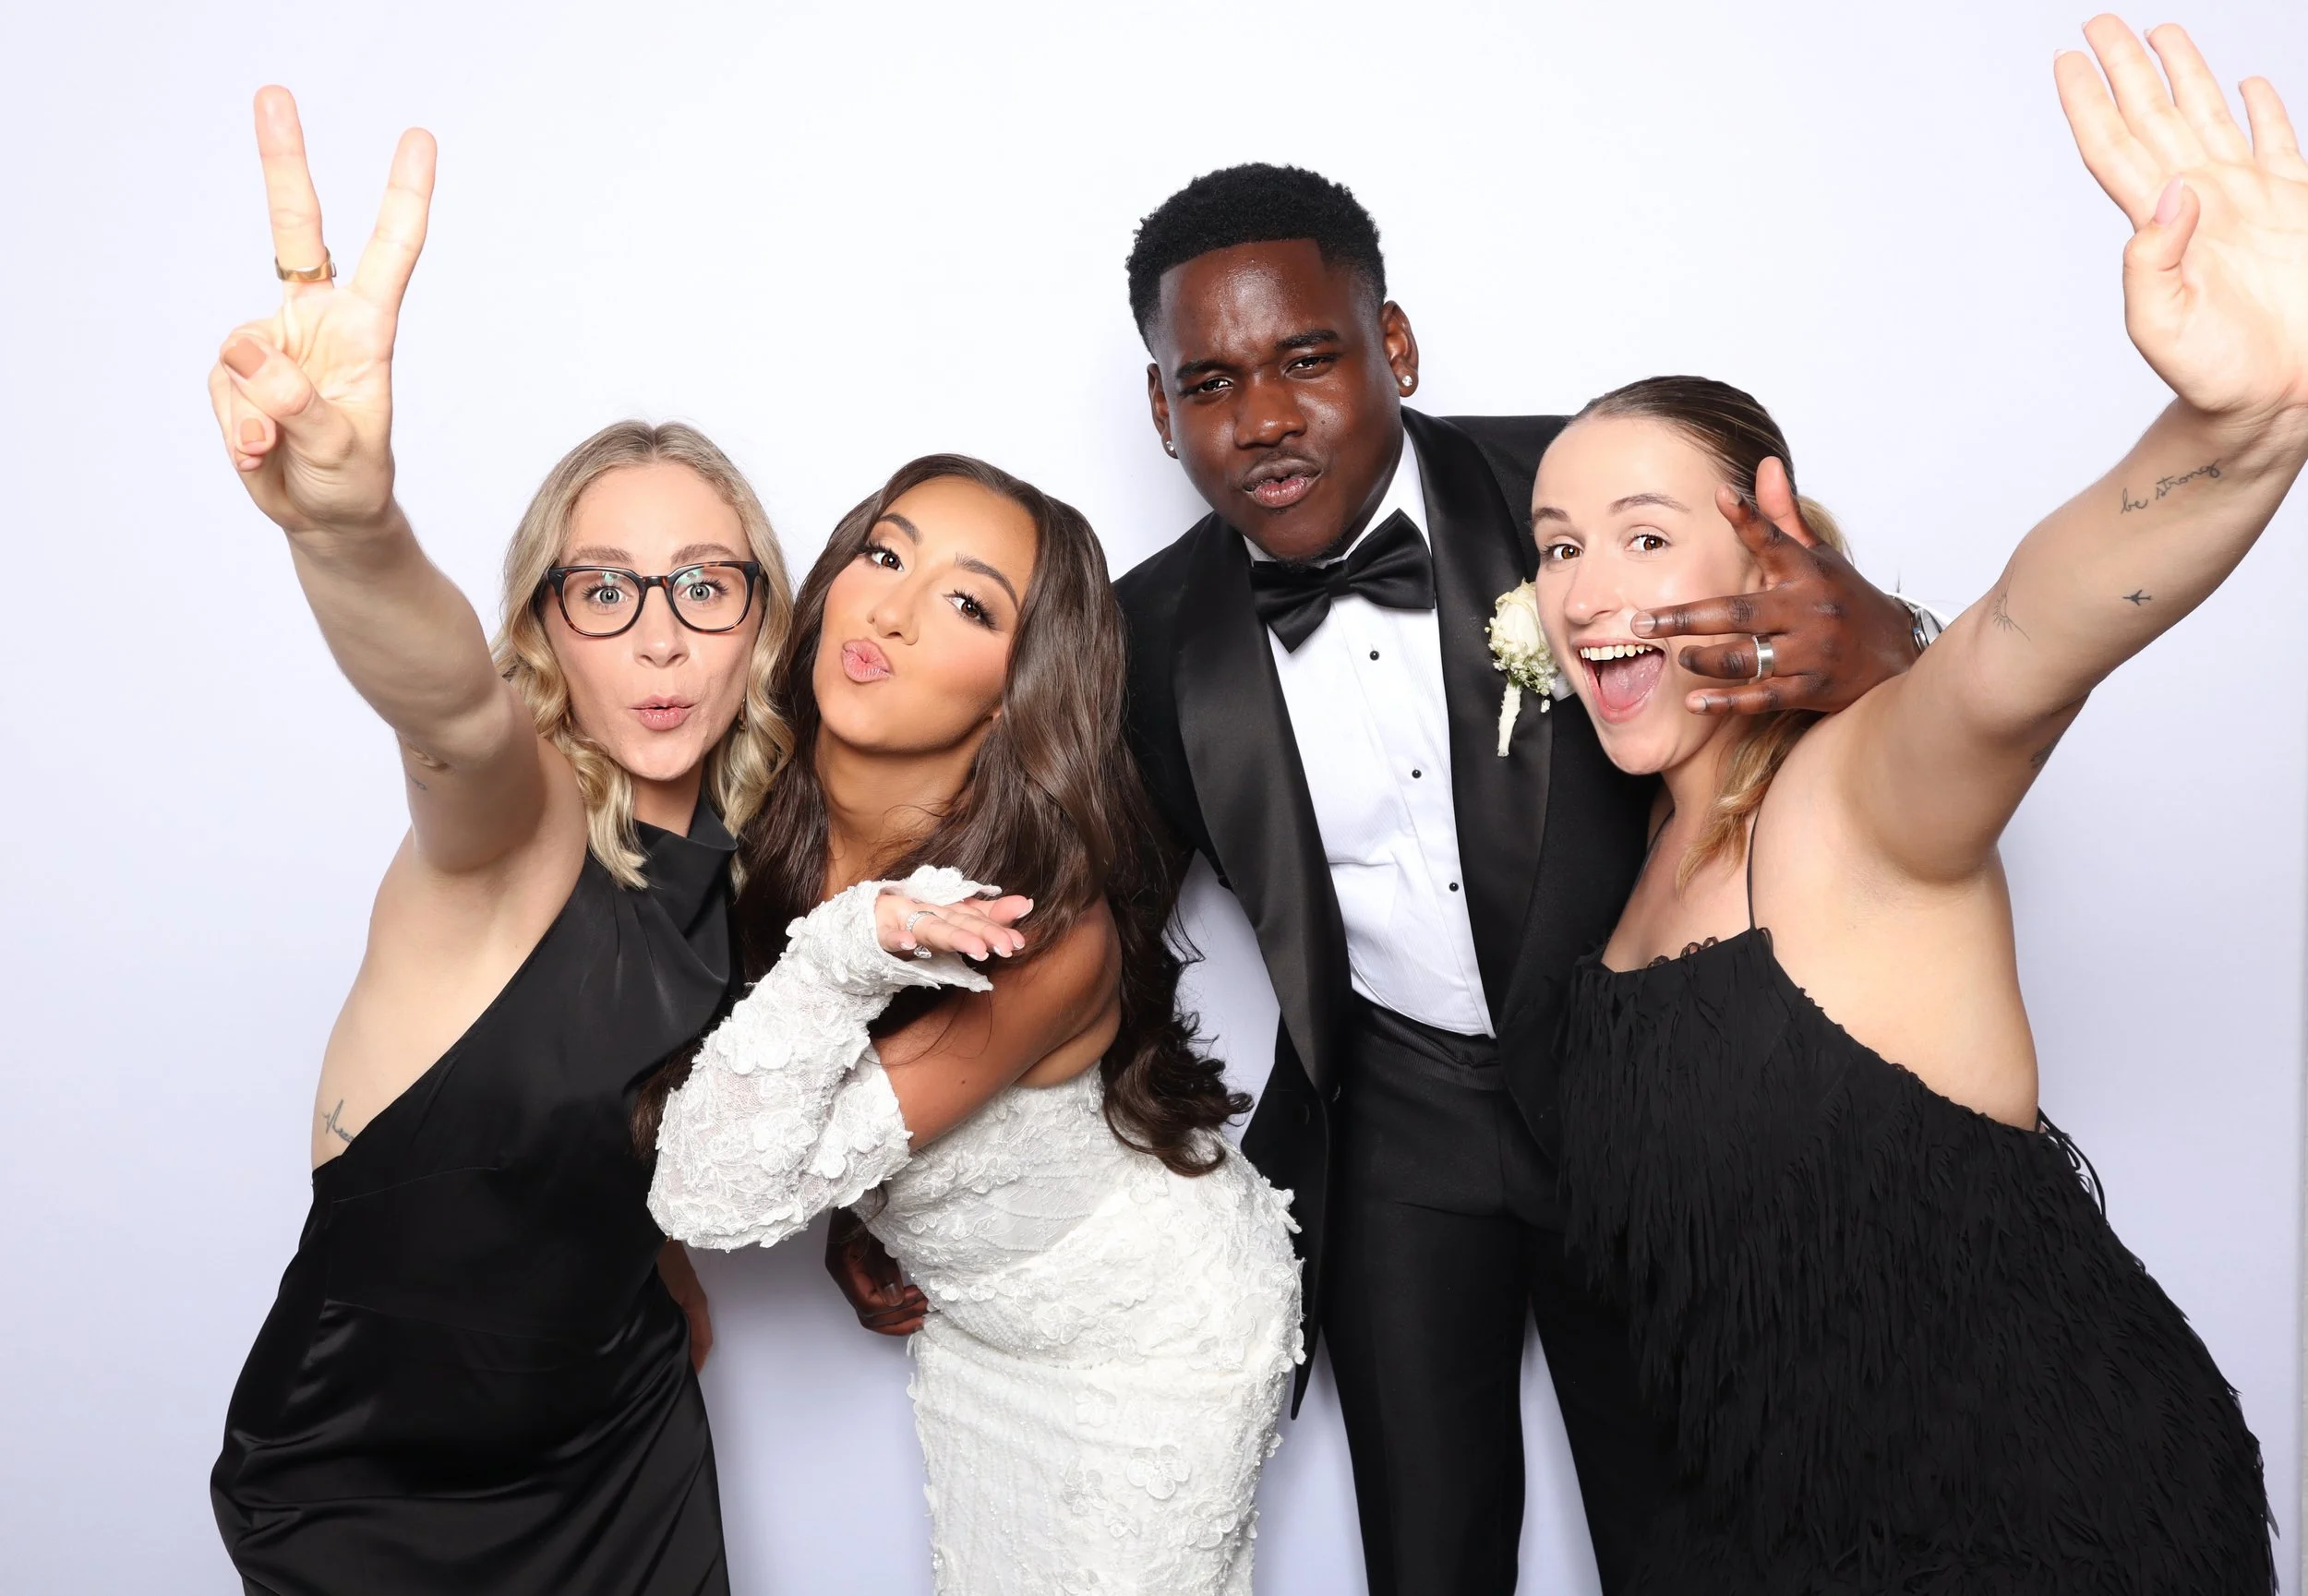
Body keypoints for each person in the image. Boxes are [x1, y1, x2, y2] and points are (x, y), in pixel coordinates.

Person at [1534, 18, 2294, 1590]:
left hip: (2046, 1528)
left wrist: (2236, 426)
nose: (1589, 590)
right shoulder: (1625, 865)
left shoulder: (1855, 795)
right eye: (1554, 547)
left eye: (1643, 533)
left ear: (1769, 546)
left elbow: (2025, 640)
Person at [1109, 165, 1926, 1590]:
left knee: (1712, 1529)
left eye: (1309, 358)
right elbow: (1096, 919)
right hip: (1395, 1140)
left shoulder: (1584, 498)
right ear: (1163, 408)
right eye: (1212, 381)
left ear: (1397, 347)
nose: (1266, 419)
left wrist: (1894, 648)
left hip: (1649, 1100)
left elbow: (1839, 656)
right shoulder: (1144, 635)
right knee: (1428, 1548)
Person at [203, 90, 793, 1596]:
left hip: (623, 1440)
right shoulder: (507, 816)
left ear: (760, 616)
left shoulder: (751, 845)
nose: (659, 638)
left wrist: (656, 1273)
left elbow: (625, 1112)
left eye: (703, 585)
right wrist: (347, 525)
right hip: (370, 1482)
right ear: (544, 625)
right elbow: (443, 705)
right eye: (604, 591)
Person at [646, 454, 1304, 1596]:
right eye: (883, 554)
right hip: (983, 1329)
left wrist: (851, 953)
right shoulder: (752, 812)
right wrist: (871, 1215)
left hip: (1151, 1343)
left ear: (1016, 690)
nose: (889, 611)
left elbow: (715, 1190)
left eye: (966, 602)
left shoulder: (1038, 928)